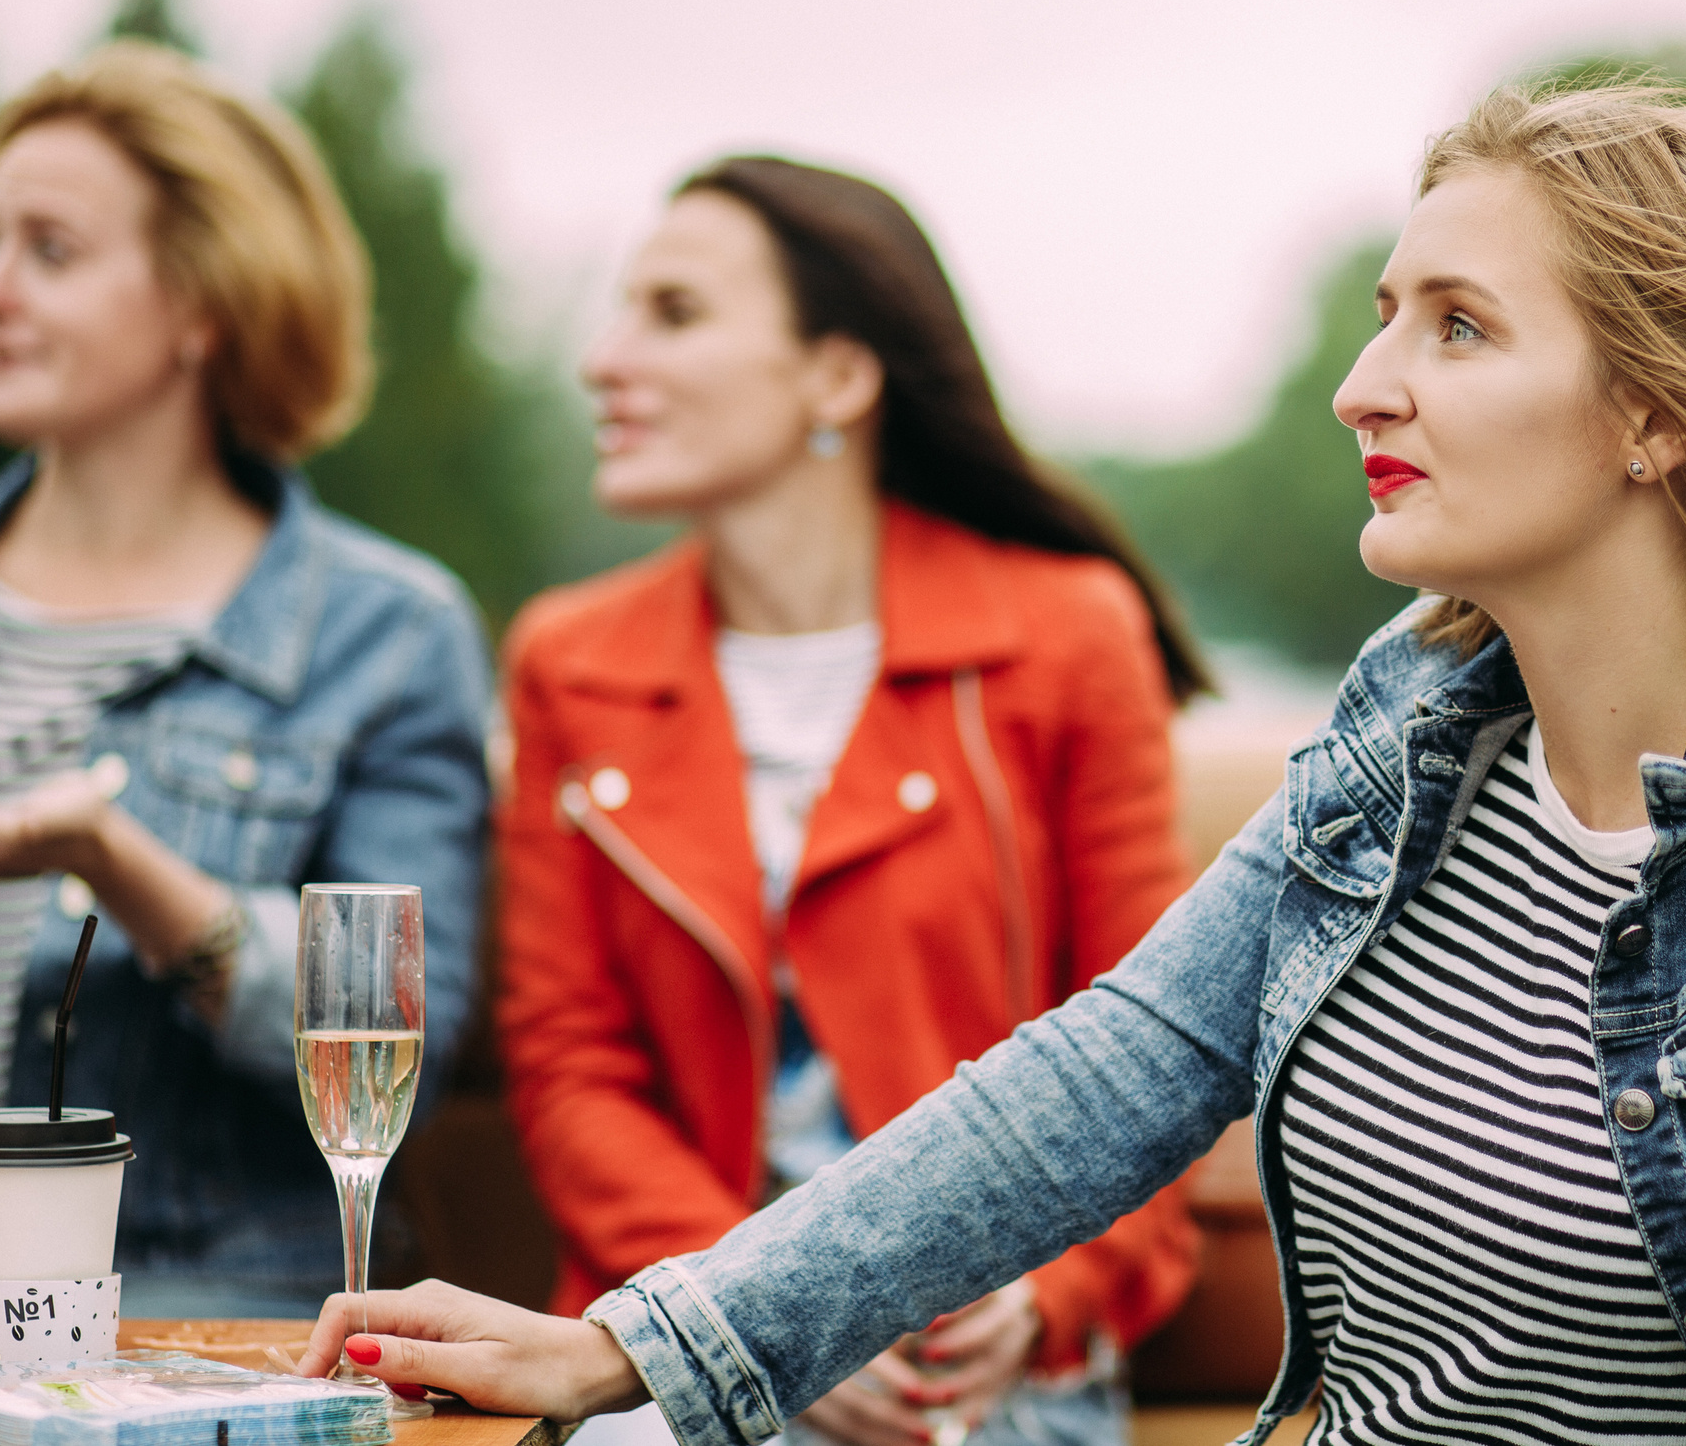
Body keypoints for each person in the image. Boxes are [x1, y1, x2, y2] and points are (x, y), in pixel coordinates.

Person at [298, 80, 1686, 1446]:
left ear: (1651, 413)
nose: (1364, 384)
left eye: (1455, 325)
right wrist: (642, 1343)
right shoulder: (1390, 769)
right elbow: (1090, 1084)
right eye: (1387, 317)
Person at [492, 158, 1207, 1446]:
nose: (602, 359)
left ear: (836, 375)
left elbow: (1164, 1035)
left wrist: (1055, 1295)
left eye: (673, 313)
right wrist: (753, 1319)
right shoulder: (566, 661)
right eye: (619, 312)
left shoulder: (1067, 634)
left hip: (974, 1366)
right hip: (662, 1341)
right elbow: (568, 1068)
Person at [0, 42, 488, 1317]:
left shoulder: (387, 633)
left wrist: (115, 860)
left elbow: (408, 1020)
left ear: (207, 304)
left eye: (51, 250)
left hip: (189, 1293)